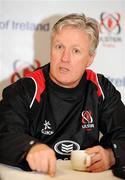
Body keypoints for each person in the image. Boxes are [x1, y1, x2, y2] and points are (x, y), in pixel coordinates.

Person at [0, 13, 125, 177]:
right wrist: (30, 148)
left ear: (90, 58)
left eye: (76, 51)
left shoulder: (101, 88)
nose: (65, 58)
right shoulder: (26, 88)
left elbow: (122, 131)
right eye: (59, 47)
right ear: (51, 49)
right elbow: (4, 131)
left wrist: (111, 155)